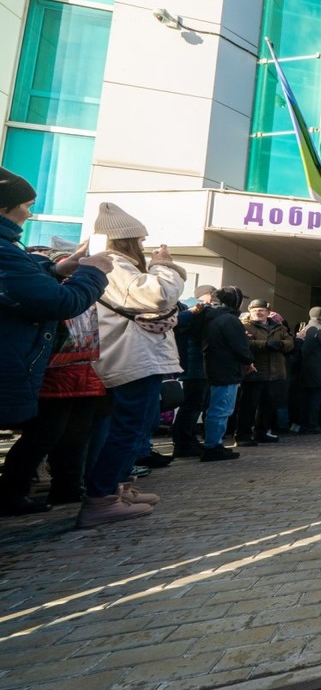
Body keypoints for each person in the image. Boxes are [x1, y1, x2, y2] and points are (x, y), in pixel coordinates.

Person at [0, 172, 111, 515]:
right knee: (49, 432)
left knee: (63, 434)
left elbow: (28, 278)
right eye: (27, 205)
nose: (30, 214)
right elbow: (58, 303)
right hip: (33, 365)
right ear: (6, 206)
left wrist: (60, 268)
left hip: (36, 365)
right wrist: (93, 272)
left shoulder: (11, 251)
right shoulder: (5, 253)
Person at [85, 202, 186, 528]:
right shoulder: (115, 265)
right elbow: (155, 295)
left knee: (138, 428)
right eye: (140, 241)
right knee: (129, 428)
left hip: (138, 357)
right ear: (127, 240)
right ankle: (101, 498)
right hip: (132, 357)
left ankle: (118, 488)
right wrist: (164, 267)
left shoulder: (119, 265)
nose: (144, 247)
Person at [199, 286, 253, 461]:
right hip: (226, 369)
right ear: (235, 301)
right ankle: (213, 446)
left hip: (215, 367)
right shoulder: (229, 320)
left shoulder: (211, 317)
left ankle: (214, 444)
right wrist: (248, 361)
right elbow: (239, 346)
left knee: (217, 408)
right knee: (221, 409)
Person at [237, 298, 292, 445]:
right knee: (248, 406)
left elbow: (290, 344)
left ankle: (261, 432)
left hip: (275, 373)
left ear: (268, 312)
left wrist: (279, 344)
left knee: (269, 406)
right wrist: (265, 345)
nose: (258, 313)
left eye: (261, 310)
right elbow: (244, 344)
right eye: (255, 310)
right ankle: (243, 435)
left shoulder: (279, 328)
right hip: (255, 372)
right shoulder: (245, 326)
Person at [172, 285, 216, 457]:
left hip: (197, 364)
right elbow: (178, 326)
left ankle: (188, 440)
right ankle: (183, 443)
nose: (213, 301)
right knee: (191, 405)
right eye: (211, 297)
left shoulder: (192, 309)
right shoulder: (192, 309)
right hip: (193, 364)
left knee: (195, 404)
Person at [298, 306, 321, 433]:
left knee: (305, 398)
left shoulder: (304, 329)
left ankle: (303, 424)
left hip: (304, 369)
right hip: (319, 370)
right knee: (317, 398)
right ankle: (313, 425)